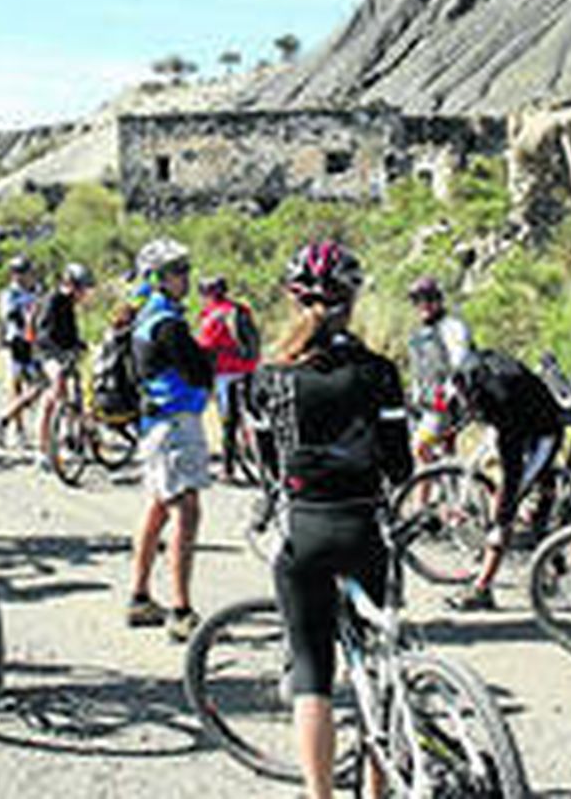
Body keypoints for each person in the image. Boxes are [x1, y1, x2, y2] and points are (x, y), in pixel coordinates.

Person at [248, 240, 413, 799]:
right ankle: (376, 790)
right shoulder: (379, 371)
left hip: (306, 531)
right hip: (365, 528)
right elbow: (400, 464)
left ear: (295, 302)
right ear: (352, 300)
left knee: (312, 672)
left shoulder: (269, 377)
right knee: (378, 664)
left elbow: (268, 465)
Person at [125, 238, 213, 642]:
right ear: (159, 278)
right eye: (178, 271)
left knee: (158, 509)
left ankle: (140, 597)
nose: (187, 277)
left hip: (158, 426)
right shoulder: (168, 324)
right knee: (186, 511)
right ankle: (181, 610)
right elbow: (197, 372)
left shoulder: (148, 316)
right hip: (176, 424)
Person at [441, 349, 565, 611]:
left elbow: (512, 472)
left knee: (509, 507)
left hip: (543, 432)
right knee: (525, 503)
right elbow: (462, 413)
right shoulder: (471, 373)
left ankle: (482, 588)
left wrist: (502, 515)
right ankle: (553, 563)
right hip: (520, 416)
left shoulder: (501, 398)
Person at [195, 275, 261, 481]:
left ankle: (228, 469)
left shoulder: (214, 316)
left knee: (228, 422)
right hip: (249, 368)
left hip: (227, 373)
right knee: (253, 413)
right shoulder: (240, 310)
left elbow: (205, 345)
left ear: (208, 294)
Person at [406, 276, 477, 465]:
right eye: (417, 301)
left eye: (429, 299)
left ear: (439, 300)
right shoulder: (419, 334)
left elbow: (460, 362)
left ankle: (438, 475)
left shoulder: (452, 327)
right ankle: (445, 482)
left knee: (419, 447)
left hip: (446, 406)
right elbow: (419, 372)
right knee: (433, 459)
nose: (423, 305)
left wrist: (448, 393)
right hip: (424, 405)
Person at [33, 262, 96, 473]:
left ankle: (70, 438)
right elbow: (44, 335)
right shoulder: (51, 300)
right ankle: (42, 449)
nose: (84, 294)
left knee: (74, 393)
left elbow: (69, 331)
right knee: (55, 389)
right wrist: (60, 352)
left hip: (63, 353)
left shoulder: (68, 302)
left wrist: (79, 344)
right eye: (82, 288)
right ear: (70, 284)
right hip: (46, 353)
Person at [0, 254, 45, 448]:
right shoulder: (9, 294)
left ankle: (5, 420)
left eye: (24, 272)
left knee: (37, 386)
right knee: (20, 386)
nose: (20, 277)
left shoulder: (38, 289)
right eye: (16, 273)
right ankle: (17, 429)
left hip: (36, 342)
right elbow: (9, 316)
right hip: (18, 343)